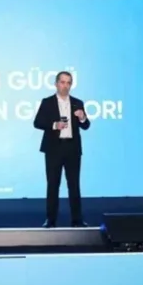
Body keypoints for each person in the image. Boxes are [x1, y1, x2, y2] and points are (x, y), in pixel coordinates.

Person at [33, 71, 90, 228]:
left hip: (72, 148)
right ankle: (51, 220)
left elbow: (86, 125)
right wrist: (54, 125)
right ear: (56, 84)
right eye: (63, 82)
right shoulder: (47, 102)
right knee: (53, 184)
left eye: (68, 83)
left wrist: (83, 117)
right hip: (54, 148)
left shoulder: (77, 103)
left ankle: (77, 220)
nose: (65, 86)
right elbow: (37, 122)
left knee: (74, 185)